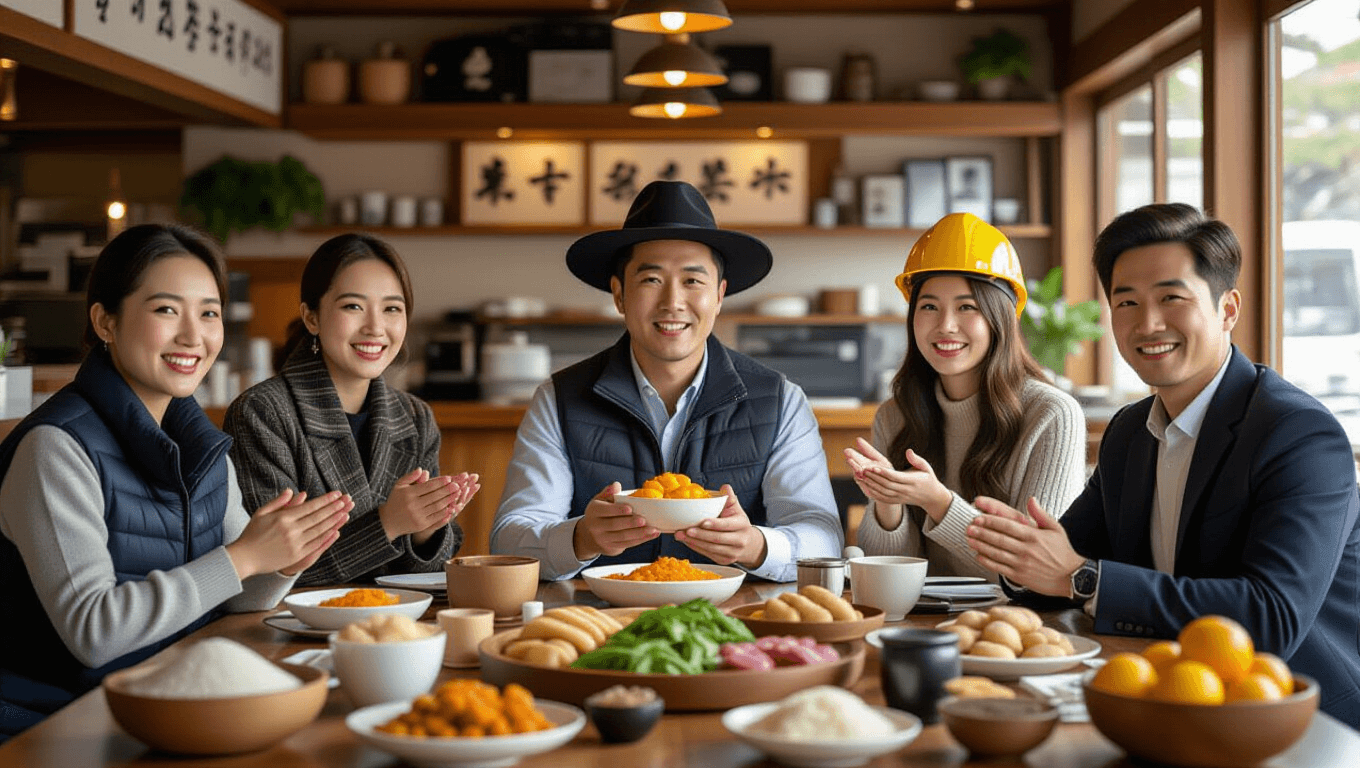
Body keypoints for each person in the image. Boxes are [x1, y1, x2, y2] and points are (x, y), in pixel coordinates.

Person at [965, 204, 1360, 723]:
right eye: (1126, 302)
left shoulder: (1298, 434)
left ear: (1227, 309)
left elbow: (1272, 617)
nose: (1148, 323)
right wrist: (1021, 554)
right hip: (1164, 696)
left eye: (1171, 298)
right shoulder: (1130, 432)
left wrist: (1081, 579)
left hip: (1289, 717)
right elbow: (1068, 555)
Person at [0, 225, 354, 740]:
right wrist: (246, 556)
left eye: (209, 313)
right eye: (167, 310)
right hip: (51, 727)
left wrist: (281, 562)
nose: (194, 336)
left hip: (159, 709)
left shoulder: (203, 446)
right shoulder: (55, 449)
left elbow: (236, 596)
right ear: (105, 321)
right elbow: (94, 631)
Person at [490, 180, 843, 581]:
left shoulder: (779, 399)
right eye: (651, 280)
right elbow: (509, 539)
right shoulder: (560, 398)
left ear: (720, 294)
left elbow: (824, 538)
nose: (673, 302)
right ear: (619, 294)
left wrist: (755, 546)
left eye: (693, 281)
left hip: (737, 621)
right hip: (599, 619)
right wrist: (581, 538)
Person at [225, 234, 477, 586]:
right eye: (353, 307)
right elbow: (267, 576)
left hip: (397, 627)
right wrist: (388, 524)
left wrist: (428, 531)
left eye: (392, 308)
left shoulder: (416, 417)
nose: (375, 327)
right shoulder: (263, 413)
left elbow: (428, 574)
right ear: (311, 317)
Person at [846, 213, 1086, 580]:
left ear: (1000, 317)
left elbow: (1036, 574)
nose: (945, 325)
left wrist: (937, 501)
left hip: (1020, 627)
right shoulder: (895, 415)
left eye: (966, 307)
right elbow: (888, 573)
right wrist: (887, 503)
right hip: (921, 625)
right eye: (928, 306)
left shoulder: (1053, 414)